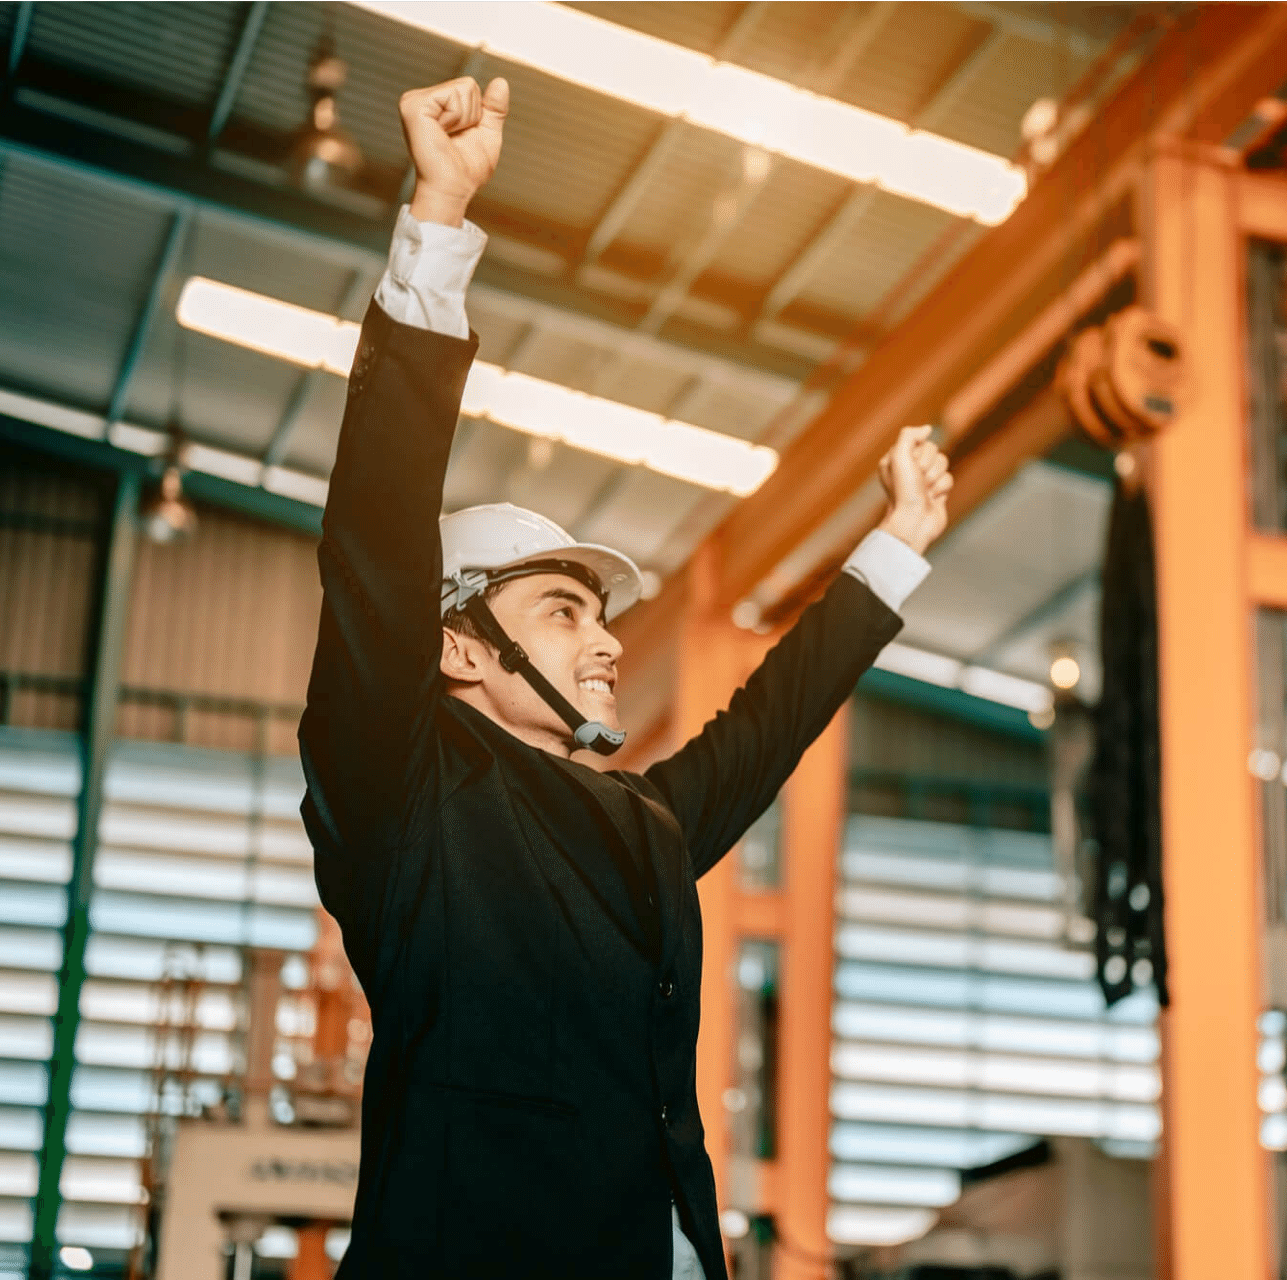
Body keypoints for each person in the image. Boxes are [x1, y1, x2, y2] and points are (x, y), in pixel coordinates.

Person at [298, 75, 953, 1279]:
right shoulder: (406, 798)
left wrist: (894, 545)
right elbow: (375, 548)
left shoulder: (643, 825)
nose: (605, 642)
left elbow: (768, 723)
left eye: (599, 616)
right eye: (561, 610)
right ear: (457, 649)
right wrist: (436, 224)